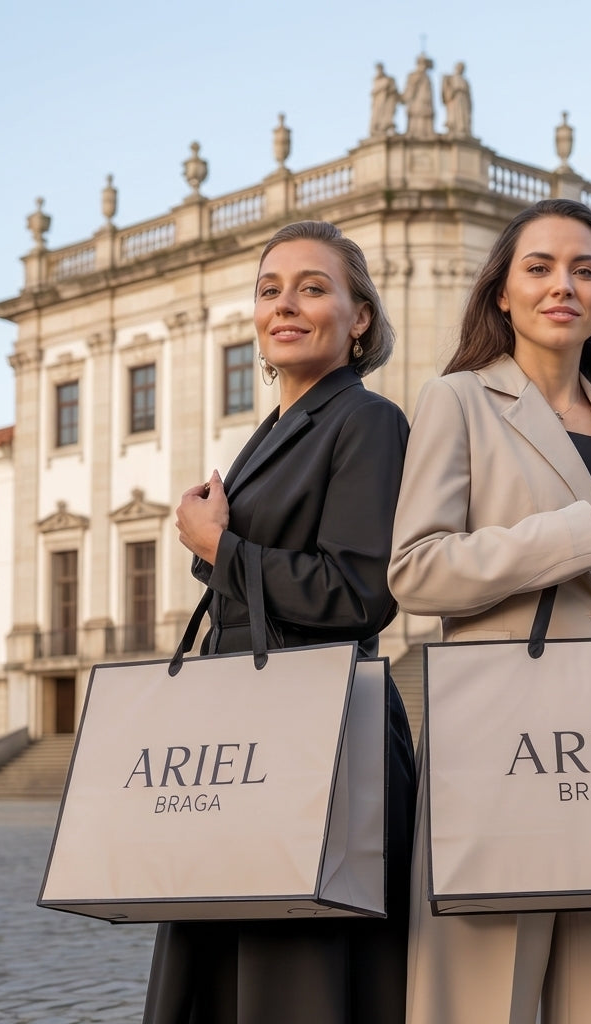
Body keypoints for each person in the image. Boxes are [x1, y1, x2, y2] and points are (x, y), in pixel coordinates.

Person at [387, 197, 591, 1024]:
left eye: (584, 270)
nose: (562, 285)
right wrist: (567, 536)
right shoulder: (457, 400)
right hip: (503, 744)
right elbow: (415, 573)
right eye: (539, 267)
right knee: (479, 996)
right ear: (502, 292)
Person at [142, 220, 415, 1024]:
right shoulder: (272, 432)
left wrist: (216, 547)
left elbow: (358, 595)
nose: (284, 304)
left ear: (360, 319)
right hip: (248, 734)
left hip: (321, 736)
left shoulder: (368, 420)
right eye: (270, 290)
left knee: (297, 980)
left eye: (312, 287)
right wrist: (216, 551)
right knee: (238, 971)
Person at [402, 55, 435, 137]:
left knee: (424, 114)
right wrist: (406, 97)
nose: (424, 67)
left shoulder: (426, 77)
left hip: (425, 100)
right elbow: (410, 89)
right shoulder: (414, 75)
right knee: (417, 114)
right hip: (417, 101)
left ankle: (426, 132)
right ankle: (414, 132)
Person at [440, 62, 472, 137]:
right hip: (455, 99)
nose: (460, 69)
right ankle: (454, 127)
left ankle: (463, 128)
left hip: (463, 100)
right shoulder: (451, 78)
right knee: (455, 115)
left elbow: (468, 95)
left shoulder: (465, 81)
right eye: (459, 67)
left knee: (463, 115)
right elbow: (446, 93)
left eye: (462, 68)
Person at [370, 61, 400, 136]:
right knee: (378, 116)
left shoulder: (389, 79)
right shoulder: (376, 80)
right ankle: (378, 129)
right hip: (379, 103)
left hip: (387, 102)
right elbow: (374, 92)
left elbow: (394, 91)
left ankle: (387, 128)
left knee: (387, 116)